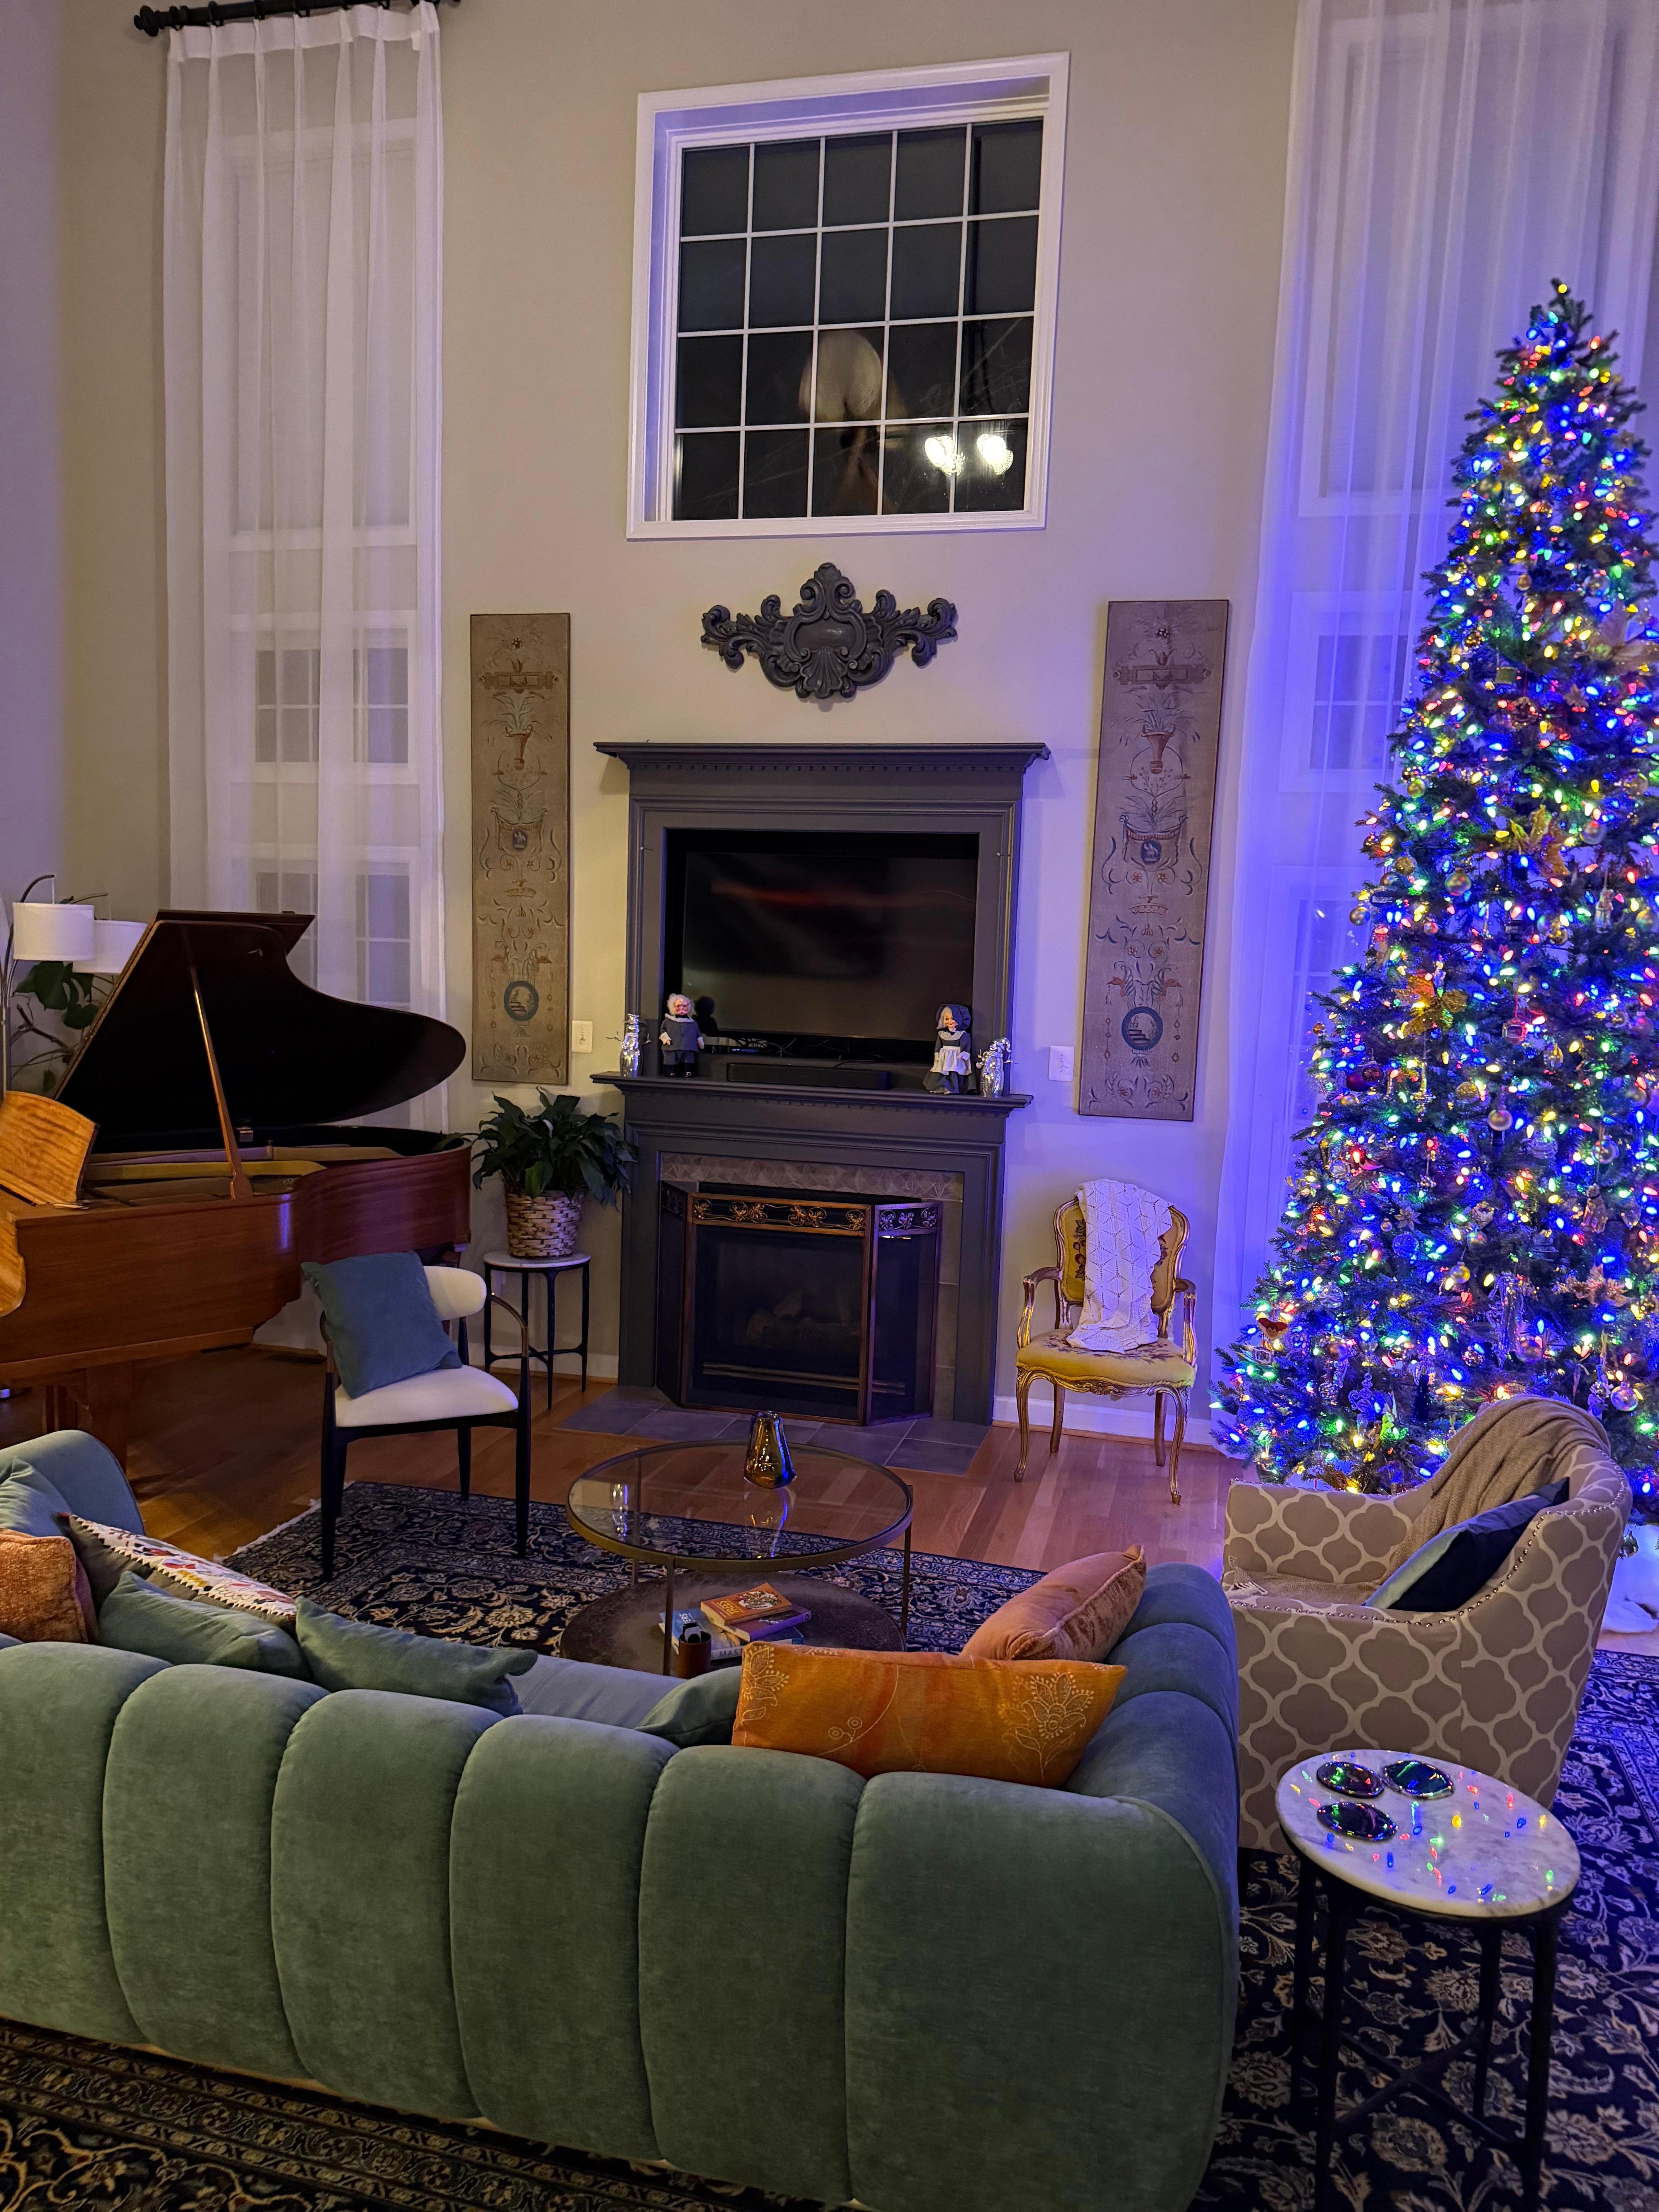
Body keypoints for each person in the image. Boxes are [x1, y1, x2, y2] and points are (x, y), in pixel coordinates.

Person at [926, 1003, 974, 1094]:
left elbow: (966, 1047)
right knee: (942, 1073)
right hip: (944, 1057)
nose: (950, 1021)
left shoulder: (963, 1035)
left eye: (953, 1019)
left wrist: (965, 1054)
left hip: (956, 1057)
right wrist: (937, 1055)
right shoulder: (942, 1034)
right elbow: (938, 1046)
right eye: (947, 1019)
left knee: (954, 1072)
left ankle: (953, 1089)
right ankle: (940, 1087)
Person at [659, 991, 703, 1075]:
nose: (682, 1009)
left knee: (689, 1059)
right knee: (670, 1059)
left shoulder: (693, 1023)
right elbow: (663, 1031)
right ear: (673, 1007)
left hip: (689, 1047)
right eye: (678, 1006)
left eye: (685, 1006)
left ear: (689, 1007)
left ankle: (689, 1072)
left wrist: (700, 1041)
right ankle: (670, 1072)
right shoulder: (667, 1021)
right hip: (671, 1047)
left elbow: (698, 1033)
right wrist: (666, 1038)